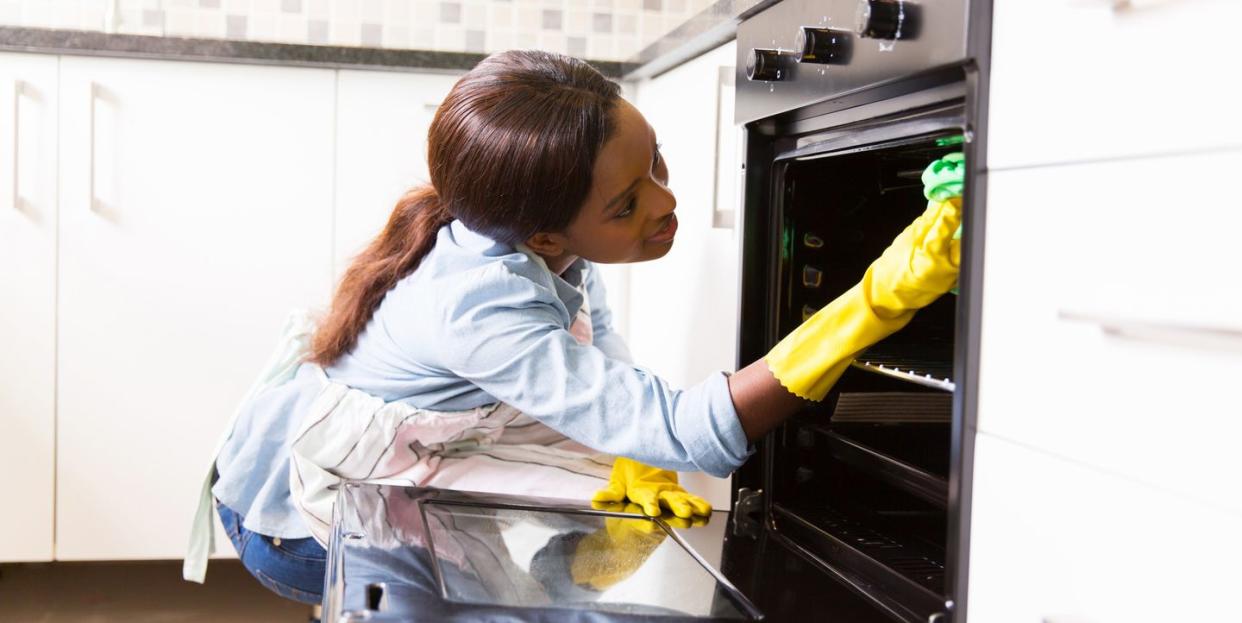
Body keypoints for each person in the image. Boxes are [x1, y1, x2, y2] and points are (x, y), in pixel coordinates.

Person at [182, 49, 963, 606]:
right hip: (299, 521)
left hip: (405, 466)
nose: (664, 205)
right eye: (626, 204)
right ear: (545, 234)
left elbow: (601, 350)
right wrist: (877, 301)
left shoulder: (538, 242)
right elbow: (687, 430)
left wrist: (632, 443)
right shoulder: (478, 302)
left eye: (657, 164)